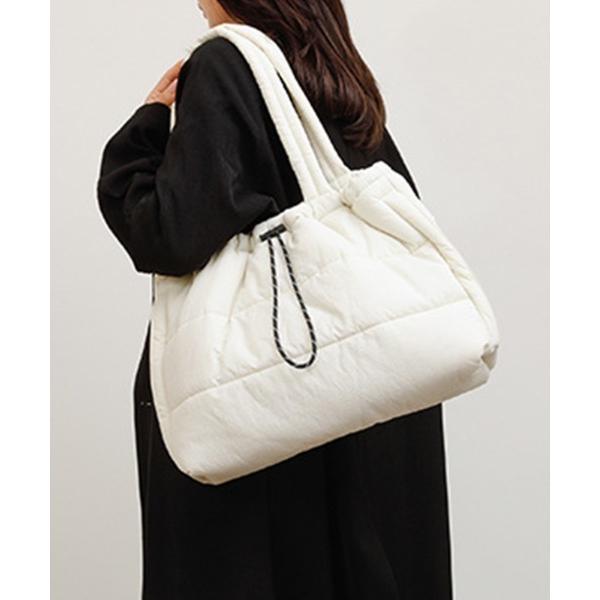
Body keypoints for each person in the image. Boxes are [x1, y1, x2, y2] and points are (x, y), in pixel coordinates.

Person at [97, 1, 453, 598]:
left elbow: (168, 234)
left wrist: (145, 130)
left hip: (272, 411)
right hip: (370, 395)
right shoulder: (337, 76)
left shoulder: (226, 61)